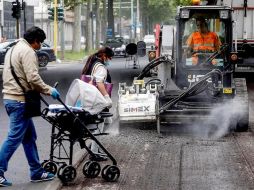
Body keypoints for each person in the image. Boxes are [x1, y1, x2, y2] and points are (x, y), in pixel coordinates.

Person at [0, 26, 60, 187]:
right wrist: (49, 90)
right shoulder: (27, 52)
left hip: (11, 98)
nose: (40, 46)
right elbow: (33, 78)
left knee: (29, 138)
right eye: (40, 43)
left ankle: (36, 171)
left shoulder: (13, 49)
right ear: (35, 41)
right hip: (19, 101)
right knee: (13, 138)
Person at [81, 47, 114, 162]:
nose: (109, 60)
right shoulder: (100, 67)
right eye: (109, 58)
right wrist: (106, 97)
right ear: (104, 55)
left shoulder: (92, 62)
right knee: (99, 125)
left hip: (91, 98)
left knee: (107, 122)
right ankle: (94, 153)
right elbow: (99, 83)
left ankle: (94, 146)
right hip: (97, 100)